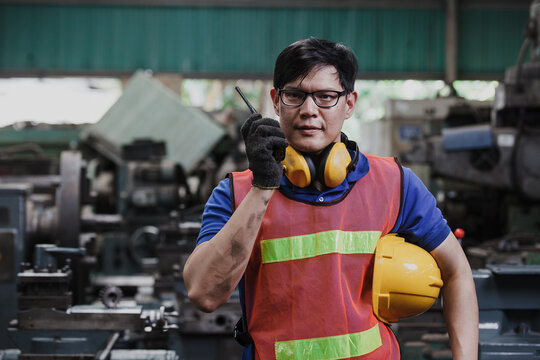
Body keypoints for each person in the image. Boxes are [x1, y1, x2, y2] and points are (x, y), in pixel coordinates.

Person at [183, 37, 478, 360]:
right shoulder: (237, 194)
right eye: (295, 95)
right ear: (276, 101)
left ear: (349, 103)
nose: (309, 110)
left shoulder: (395, 184)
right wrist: (263, 187)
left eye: (325, 97)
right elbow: (204, 294)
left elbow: (457, 272)